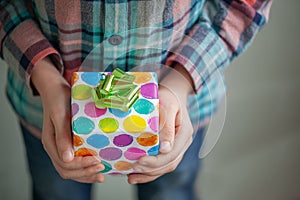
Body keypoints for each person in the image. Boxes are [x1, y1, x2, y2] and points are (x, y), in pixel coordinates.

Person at [0, 0, 272, 200]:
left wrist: (181, 82)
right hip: (48, 111)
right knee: (56, 193)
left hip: (180, 112)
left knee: (171, 192)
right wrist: (46, 78)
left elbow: (246, 5)